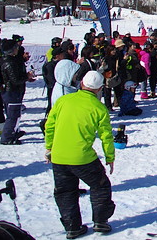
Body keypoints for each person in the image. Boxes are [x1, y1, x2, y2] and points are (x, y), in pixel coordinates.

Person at [45, 70, 116, 238]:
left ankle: (72, 227)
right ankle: (100, 221)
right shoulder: (99, 108)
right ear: (99, 89)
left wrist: (49, 148)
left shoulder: (63, 101)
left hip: (59, 156)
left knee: (65, 191)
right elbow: (106, 135)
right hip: (83, 158)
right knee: (100, 185)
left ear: (82, 83)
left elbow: (50, 126)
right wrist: (110, 157)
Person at [0, 39, 34, 145]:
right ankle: (7, 137)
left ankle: (13, 132)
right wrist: (26, 77)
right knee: (13, 115)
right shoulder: (9, 62)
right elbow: (15, 80)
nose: (17, 50)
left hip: (12, 91)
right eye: (16, 48)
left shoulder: (11, 60)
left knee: (14, 114)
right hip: (12, 92)